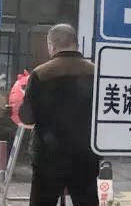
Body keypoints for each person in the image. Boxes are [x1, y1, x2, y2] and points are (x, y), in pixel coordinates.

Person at [20, 24, 98, 206]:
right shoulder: (96, 72)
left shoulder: (41, 74)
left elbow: (28, 117)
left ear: (51, 46)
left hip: (48, 157)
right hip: (85, 155)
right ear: (76, 44)